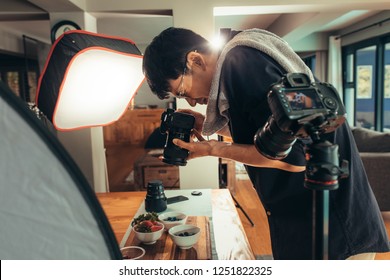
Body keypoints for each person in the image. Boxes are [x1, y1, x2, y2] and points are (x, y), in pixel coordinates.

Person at [142, 27, 390, 260]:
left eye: (183, 92)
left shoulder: (240, 63)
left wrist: (212, 149)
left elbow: (294, 158)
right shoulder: (245, 51)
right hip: (320, 223)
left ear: (195, 60)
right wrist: (215, 131)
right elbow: (271, 136)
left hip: (333, 233)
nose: (193, 102)